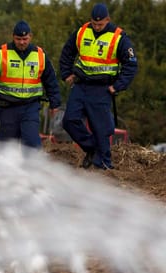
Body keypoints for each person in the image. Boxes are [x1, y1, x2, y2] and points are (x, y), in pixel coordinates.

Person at [59, 3, 137, 170]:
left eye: (100, 24)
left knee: (101, 129)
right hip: (80, 85)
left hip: (102, 88)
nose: (96, 27)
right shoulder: (82, 31)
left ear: (108, 20)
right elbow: (67, 52)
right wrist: (66, 74)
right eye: (94, 23)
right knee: (69, 120)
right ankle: (92, 149)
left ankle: (104, 164)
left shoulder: (119, 37)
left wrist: (118, 86)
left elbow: (131, 65)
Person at [0, 20, 61, 149]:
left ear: (30, 37)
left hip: (30, 108)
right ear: (13, 37)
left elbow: (51, 81)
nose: (22, 42)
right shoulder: (1, 53)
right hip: (7, 108)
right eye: (18, 39)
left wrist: (55, 103)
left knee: (32, 144)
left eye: (25, 39)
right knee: (6, 148)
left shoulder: (40, 55)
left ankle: (31, 168)